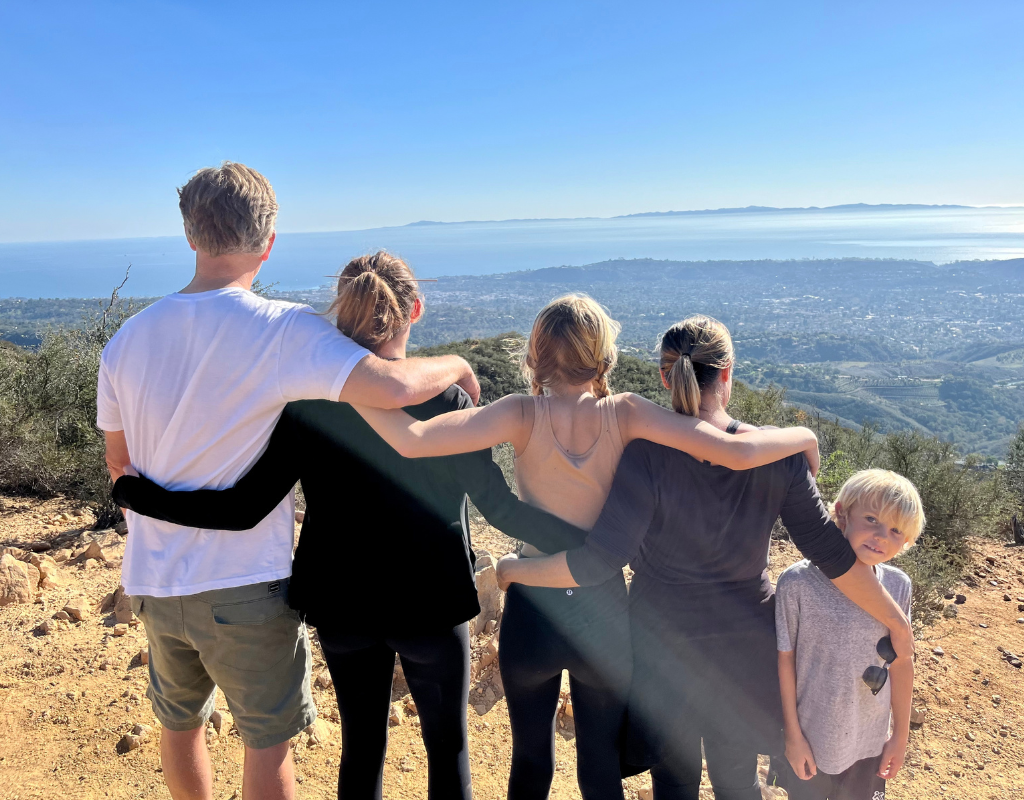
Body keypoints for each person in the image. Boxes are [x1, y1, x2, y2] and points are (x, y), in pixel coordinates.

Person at [110, 251, 591, 800]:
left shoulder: (309, 407)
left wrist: (137, 493)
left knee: (362, 749)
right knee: (447, 750)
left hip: (341, 606)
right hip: (432, 603)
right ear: (416, 309)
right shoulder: (449, 402)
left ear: (343, 316)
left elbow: (242, 509)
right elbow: (501, 511)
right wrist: (589, 542)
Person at [97, 164, 481, 800]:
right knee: (265, 739)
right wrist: (463, 364)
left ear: (190, 235)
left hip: (153, 579)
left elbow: (121, 468)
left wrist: (140, 498)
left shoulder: (126, 340)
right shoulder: (283, 328)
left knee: (179, 725)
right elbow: (389, 385)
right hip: (246, 585)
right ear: (269, 240)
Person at [349, 298, 828, 800]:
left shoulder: (519, 413)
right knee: (598, 768)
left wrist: (343, 384)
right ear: (604, 356)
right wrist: (804, 436)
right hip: (601, 609)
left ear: (534, 356)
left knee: (531, 763)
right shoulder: (625, 414)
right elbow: (734, 449)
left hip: (534, 609)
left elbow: (412, 439)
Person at [492, 315, 916, 800]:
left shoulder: (644, 453)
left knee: (675, 782)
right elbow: (832, 556)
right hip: (743, 645)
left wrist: (511, 570)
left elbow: (602, 557)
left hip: (660, 643)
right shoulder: (777, 455)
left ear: (663, 377)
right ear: (727, 373)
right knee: (736, 780)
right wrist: (894, 619)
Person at [776, 469, 921, 800]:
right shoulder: (797, 584)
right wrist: (793, 737)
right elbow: (785, 661)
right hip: (812, 737)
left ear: (906, 541)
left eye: (896, 530)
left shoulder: (898, 586)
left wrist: (899, 737)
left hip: (868, 743)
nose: (881, 535)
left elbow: (901, 663)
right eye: (871, 519)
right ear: (842, 514)